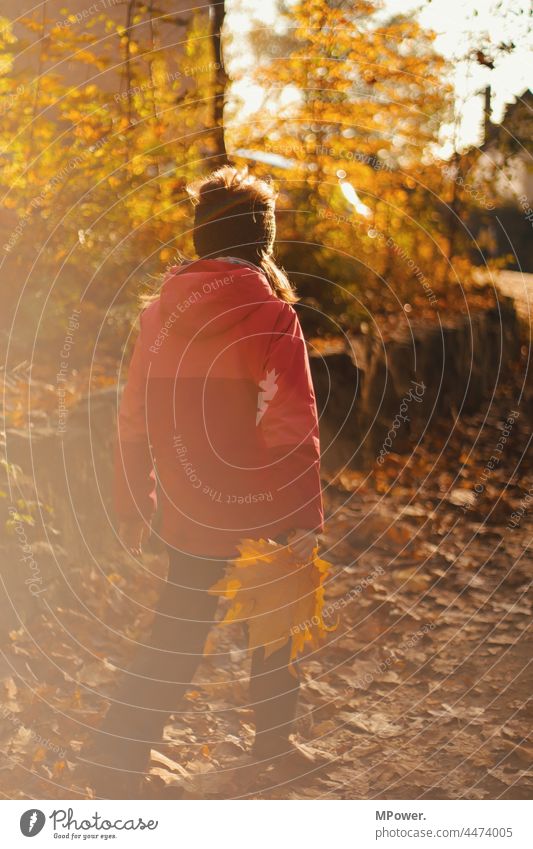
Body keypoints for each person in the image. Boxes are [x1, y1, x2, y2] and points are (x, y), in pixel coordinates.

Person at [83, 166, 323, 798]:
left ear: (200, 238)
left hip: (189, 508)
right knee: (275, 622)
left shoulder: (160, 315)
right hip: (263, 505)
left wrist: (135, 500)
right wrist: (301, 514)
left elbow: (131, 419)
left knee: (177, 632)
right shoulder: (273, 316)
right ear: (261, 242)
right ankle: (274, 741)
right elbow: (291, 424)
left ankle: (116, 753)